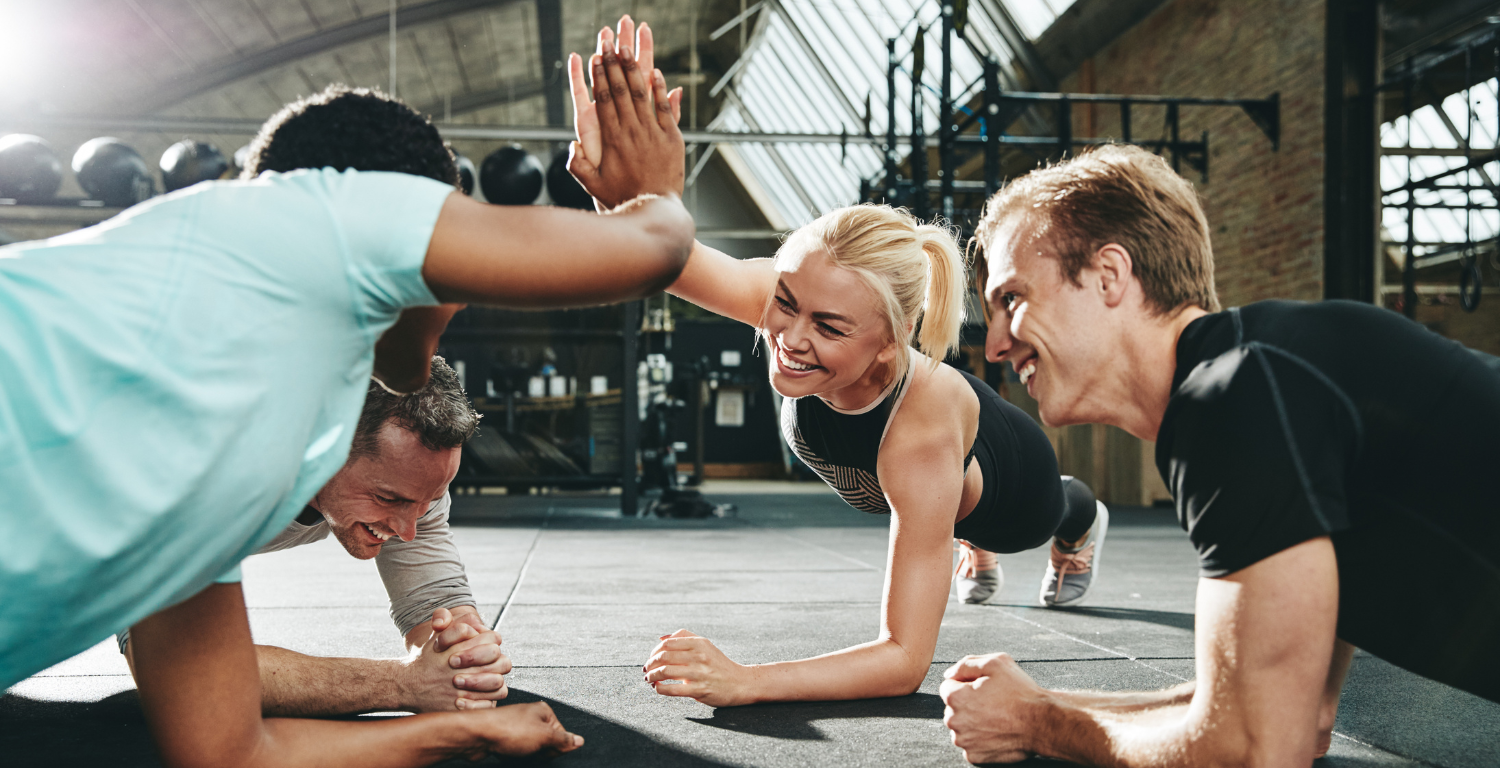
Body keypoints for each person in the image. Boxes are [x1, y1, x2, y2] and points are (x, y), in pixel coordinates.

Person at [0, 68, 692, 767]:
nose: (459, 286)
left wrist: (464, 724)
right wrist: (651, 193)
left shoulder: (222, 407)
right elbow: (652, 250)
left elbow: (226, 751)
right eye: (454, 227)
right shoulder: (320, 215)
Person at [567, 18, 1108, 709]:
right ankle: (953, 531)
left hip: (1013, 489)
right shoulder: (789, 304)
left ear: (892, 339)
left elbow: (903, 660)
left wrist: (749, 681)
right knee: (932, 514)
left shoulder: (916, 436)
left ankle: (1073, 523)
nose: (789, 336)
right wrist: (622, 196)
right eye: (785, 302)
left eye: (827, 326)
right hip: (937, 472)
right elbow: (664, 254)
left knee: (1045, 509)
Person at [941, 143, 1500, 766]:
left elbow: (1254, 749)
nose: (992, 345)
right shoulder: (1266, 371)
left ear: (1109, 276)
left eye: (1011, 299)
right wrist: (1040, 705)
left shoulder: (1238, 397)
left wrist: (1036, 723)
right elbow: (1296, 712)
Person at [116, 355, 512, 716]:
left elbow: (437, 605)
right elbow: (179, 667)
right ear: (324, 445)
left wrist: (465, 659)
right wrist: (406, 683)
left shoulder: (412, 481)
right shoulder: (210, 471)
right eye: (387, 498)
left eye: (430, 499)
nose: (408, 530)